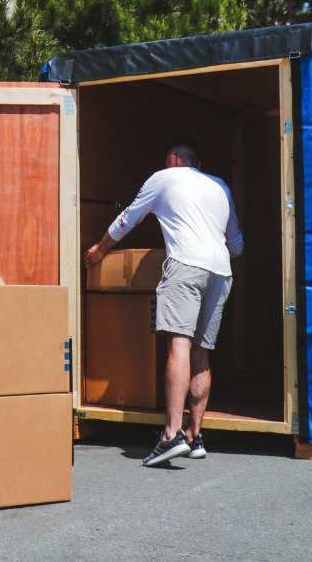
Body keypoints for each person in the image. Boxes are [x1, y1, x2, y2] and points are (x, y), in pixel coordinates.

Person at [84, 138, 243, 467]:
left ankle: (170, 436)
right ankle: (195, 435)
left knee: (179, 345)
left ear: (172, 159)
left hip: (185, 265)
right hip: (221, 270)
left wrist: (100, 250)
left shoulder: (162, 178)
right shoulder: (220, 186)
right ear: (196, 164)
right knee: (201, 351)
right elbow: (237, 243)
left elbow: (127, 220)